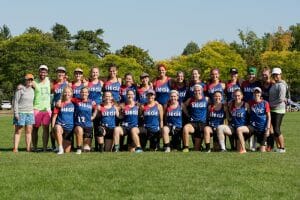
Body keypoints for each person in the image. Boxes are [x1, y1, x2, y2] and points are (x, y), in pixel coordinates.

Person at [182, 84, 209, 152]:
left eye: (199, 90)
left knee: (196, 149)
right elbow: (183, 105)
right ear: (193, 91)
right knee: (186, 128)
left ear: (202, 91)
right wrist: (187, 113)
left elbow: (213, 105)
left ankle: (201, 147)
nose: (197, 92)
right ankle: (186, 147)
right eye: (195, 90)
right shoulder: (191, 99)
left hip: (202, 123)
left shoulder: (206, 99)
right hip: (193, 123)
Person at [12, 74, 35, 152]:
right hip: (21, 112)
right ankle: (15, 148)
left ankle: (28, 148)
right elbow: (15, 102)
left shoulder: (33, 90)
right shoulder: (20, 90)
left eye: (31, 80)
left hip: (30, 113)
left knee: (29, 131)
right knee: (18, 131)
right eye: (28, 79)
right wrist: (16, 113)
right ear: (25, 80)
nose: (29, 81)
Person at [32, 65, 51, 152]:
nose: (42, 73)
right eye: (41, 71)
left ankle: (44, 148)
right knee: (35, 128)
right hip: (36, 108)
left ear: (47, 73)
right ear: (38, 72)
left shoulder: (49, 81)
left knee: (46, 128)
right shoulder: (34, 82)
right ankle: (35, 147)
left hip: (47, 109)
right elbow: (26, 85)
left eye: (44, 72)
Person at [73, 87, 97, 154]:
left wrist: (94, 116)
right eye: (82, 92)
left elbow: (96, 108)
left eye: (86, 92)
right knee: (79, 130)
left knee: (86, 149)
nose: (84, 93)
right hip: (78, 124)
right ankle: (79, 148)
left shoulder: (91, 102)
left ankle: (87, 147)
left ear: (88, 93)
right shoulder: (76, 100)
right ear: (80, 93)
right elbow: (67, 99)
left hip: (88, 125)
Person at [51, 87, 74, 154]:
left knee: (67, 151)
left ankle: (61, 145)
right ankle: (60, 148)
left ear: (71, 93)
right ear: (63, 93)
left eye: (69, 92)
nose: (67, 94)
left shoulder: (74, 102)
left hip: (69, 128)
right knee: (57, 127)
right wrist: (53, 128)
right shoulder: (59, 103)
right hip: (60, 125)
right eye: (65, 92)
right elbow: (54, 116)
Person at [247, 87, 271, 152]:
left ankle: (262, 146)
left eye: (258, 93)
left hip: (262, 128)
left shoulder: (265, 103)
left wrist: (268, 129)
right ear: (253, 94)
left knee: (262, 151)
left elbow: (269, 117)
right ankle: (249, 145)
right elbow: (248, 113)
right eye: (255, 92)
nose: (256, 94)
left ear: (260, 94)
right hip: (253, 126)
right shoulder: (250, 103)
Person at [269, 67, 287, 153]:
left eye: (277, 74)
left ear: (280, 75)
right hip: (273, 110)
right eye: (274, 74)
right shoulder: (274, 84)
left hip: (279, 110)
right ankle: (278, 147)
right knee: (274, 129)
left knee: (276, 129)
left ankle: (282, 148)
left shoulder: (282, 85)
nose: (275, 76)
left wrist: (270, 105)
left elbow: (281, 99)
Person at [50, 66, 68, 150]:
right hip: (55, 108)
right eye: (59, 72)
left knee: (66, 127)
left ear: (64, 74)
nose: (60, 74)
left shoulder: (68, 84)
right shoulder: (53, 84)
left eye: (62, 72)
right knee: (53, 127)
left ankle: (64, 144)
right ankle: (54, 146)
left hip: (65, 109)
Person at [87, 67, 103, 151]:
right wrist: (90, 101)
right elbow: (85, 95)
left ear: (99, 74)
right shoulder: (87, 83)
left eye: (96, 72)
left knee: (97, 127)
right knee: (89, 127)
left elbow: (105, 95)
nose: (95, 74)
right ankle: (88, 145)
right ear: (91, 73)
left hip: (98, 109)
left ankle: (98, 146)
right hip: (89, 108)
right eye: (93, 72)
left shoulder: (101, 83)